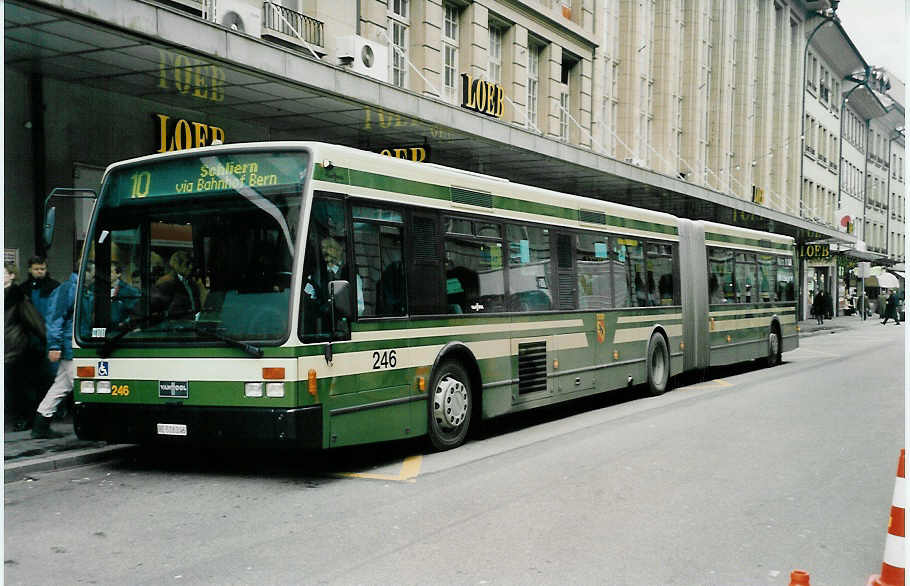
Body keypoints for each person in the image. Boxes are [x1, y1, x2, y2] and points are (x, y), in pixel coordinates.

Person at [31, 267, 78, 438]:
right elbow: (55, 319)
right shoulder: (69, 289)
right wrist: (54, 346)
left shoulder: (74, 288)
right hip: (70, 346)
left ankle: (41, 424)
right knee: (80, 386)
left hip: (70, 345)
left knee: (61, 386)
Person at [5, 263, 47, 430]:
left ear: (11, 276)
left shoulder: (17, 297)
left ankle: (25, 418)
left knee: (18, 387)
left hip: (15, 348)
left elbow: (34, 321)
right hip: (8, 347)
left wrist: (48, 342)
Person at [151, 251, 203, 315]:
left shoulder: (192, 283)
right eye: (187, 264)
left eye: (191, 263)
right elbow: (158, 309)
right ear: (177, 265)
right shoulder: (167, 283)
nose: (191, 267)